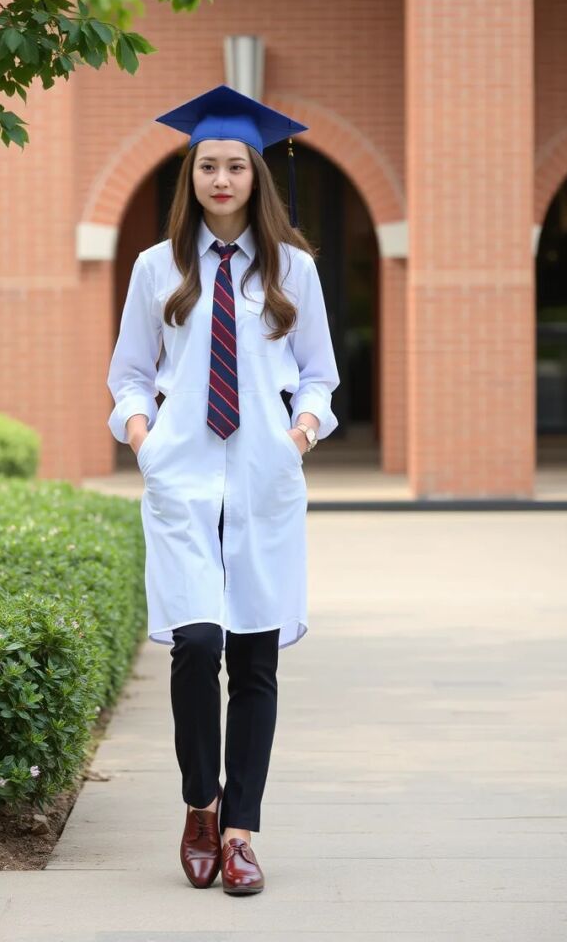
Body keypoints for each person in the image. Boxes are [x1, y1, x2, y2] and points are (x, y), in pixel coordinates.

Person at [107, 84, 340, 895]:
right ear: (191, 174)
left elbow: (319, 375)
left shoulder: (294, 269)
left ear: (254, 175)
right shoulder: (155, 267)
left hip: (261, 476)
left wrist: (298, 435)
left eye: (233, 165)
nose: (220, 178)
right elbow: (130, 377)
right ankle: (198, 805)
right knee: (195, 645)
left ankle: (240, 832)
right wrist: (144, 440)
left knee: (253, 656)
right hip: (182, 472)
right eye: (206, 164)